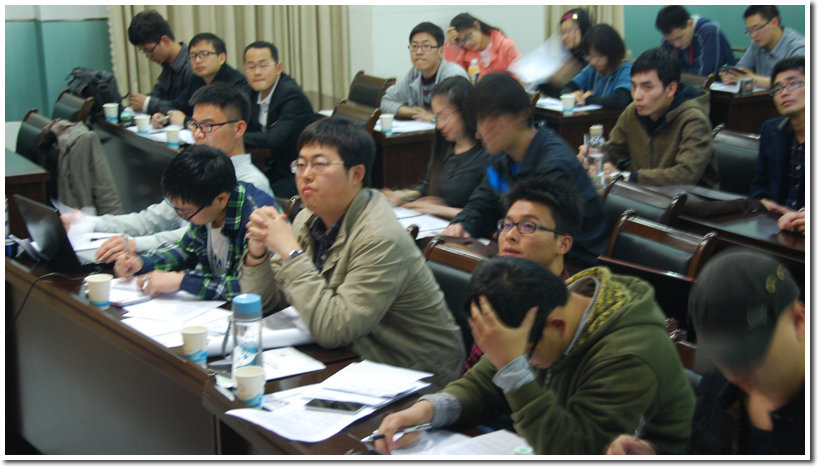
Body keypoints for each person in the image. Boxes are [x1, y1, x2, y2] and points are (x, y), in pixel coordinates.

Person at [373, 256, 696, 455]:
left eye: (524, 354)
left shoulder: (628, 354)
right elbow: (484, 384)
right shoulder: (546, 309)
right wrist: (426, 411)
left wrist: (514, 369)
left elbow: (576, 453)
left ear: (556, 325)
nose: (522, 361)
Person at [238, 118, 464, 391]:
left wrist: (290, 252)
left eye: (319, 164)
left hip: (414, 376)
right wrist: (257, 253)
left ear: (356, 174)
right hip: (352, 358)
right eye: (301, 164)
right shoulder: (309, 217)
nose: (305, 174)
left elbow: (334, 329)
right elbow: (266, 305)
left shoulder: (380, 236)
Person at [607, 250, 805, 455]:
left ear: (799, 321)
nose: (734, 374)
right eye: (724, 356)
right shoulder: (719, 384)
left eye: (750, 354)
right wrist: (654, 455)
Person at [81, 83, 275, 263]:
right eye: (194, 125)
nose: (197, 134)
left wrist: (134, 245)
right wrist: (86, 223)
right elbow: (152, 220)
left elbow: (190, 239)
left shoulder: (252, 184)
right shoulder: (197, 171)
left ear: (238, 128)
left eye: (208, 126)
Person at [442, 72, 609, 271]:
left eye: (487, 121)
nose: (478, 133)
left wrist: (498, 233)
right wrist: (461, 226)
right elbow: (481, 204)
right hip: (526, 256)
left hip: (572, 268)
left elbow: (538, 237)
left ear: (519, 116)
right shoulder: (501, 158)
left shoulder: (554, 166)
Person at [113, 145, 275, 301]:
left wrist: (183, 281)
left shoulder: (258, 220)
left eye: (186, 211)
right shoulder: (207, 206)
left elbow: (256, 287)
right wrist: (142, 262)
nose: (179, 216)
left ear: (221, 200)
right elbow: (186, 250)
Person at [464, 176, 580, 372]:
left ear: (563, 244)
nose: (510, 236)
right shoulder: (498, 284)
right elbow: (473, 372)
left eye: (528, 226)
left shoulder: (571, 312)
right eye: (507, 225)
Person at [587, 48, 718, 188]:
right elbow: (613, 150)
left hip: (692, 198)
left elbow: (685, 174)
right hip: (647, 195)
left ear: (670, 89)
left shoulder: (694, 119)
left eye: (647, 87)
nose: (637, 96)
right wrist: (593, 157)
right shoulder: (633, 111)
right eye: (633, 86)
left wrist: (627, 177)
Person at [381, 76, 492, 220]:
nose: (439, 125)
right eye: (436, 118)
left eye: (444, 116)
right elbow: (427, 186)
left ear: (465, 110)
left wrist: (440, 209)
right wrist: (403, 195)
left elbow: (486, 216)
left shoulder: (488, 155)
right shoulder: (445, 147)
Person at [241, 41, 317, 198]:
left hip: (297, 171)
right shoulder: (249, 93)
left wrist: (235, 136)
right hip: (270, 166)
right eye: (251, 67)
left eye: (263, 65)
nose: (257, 72)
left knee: (253, 197)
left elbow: (272, 139)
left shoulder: (291, 95)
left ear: (278, 68)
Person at [749, 56, 805, 234]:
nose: (784, 93)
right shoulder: (771, 130)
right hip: (776, 227)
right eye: (778, 88)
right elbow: (759, 185)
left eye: (793, 84)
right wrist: (765, 202)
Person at [152, 33, 250, 128]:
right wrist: (163, 115)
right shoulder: (197, 79)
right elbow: (175, 105)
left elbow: (221, 124)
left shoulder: (237, 83)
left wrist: (186, 122)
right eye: (193, 56)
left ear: (221, 58)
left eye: (204, 54)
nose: (197, 60)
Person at [380, 22, 469, 122]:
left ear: (441, 51)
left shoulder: (453, 75)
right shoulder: (414, 74)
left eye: (426, 46)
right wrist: (413, 112)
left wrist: (432, 118)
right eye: (414, 46)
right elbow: (386, 101)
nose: (418, 52)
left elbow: (461, 116)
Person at [720, 6, 805, 89]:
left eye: (757, 28)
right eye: (749, 31)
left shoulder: (799, 46)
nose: (753, 35)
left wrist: (752, 79)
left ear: (774, 22)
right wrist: (731, 76)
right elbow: (741, 70)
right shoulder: (756, 44)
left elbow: (795, 82)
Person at [126, 10, 193, 115]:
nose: (148, 56)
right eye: (144, 52)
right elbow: (159, 94)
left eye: (148, 50)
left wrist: (147, 103)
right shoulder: (168, 65)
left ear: (165, 41)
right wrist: (140, 100)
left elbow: (187, 108)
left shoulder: (193, 66)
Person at [559, 24, 633, 110]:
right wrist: (573, 96)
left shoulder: (627, 68)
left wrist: (588, 99)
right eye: (590, 56)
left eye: (598, 56)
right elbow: (567, 88)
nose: (593, 61)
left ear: (611, 50)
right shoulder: (593, 68)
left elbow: (621, 101)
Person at [655, 5, 736, 77]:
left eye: (679, 38)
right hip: (687, 87)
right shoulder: (668, 39)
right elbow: (661, 71)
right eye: (670, 41)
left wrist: (674, 73)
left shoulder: (710, 32)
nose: (676, 44)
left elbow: (703, 76)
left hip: (720, 88)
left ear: (690, 24)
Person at [444, 13, 521, 79]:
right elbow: (455, 77)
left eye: (468, 36)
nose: (467, 43)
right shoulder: (465, 54)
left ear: (476, 25)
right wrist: (452, 45)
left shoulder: (506, 45)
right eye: (462, 42)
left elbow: (517, 77)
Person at [538, 8, 593, 98]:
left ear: (583, 30)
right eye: (562, 33)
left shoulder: (590, 62)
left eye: (568, 31)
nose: (564, 38)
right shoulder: (564, 59)